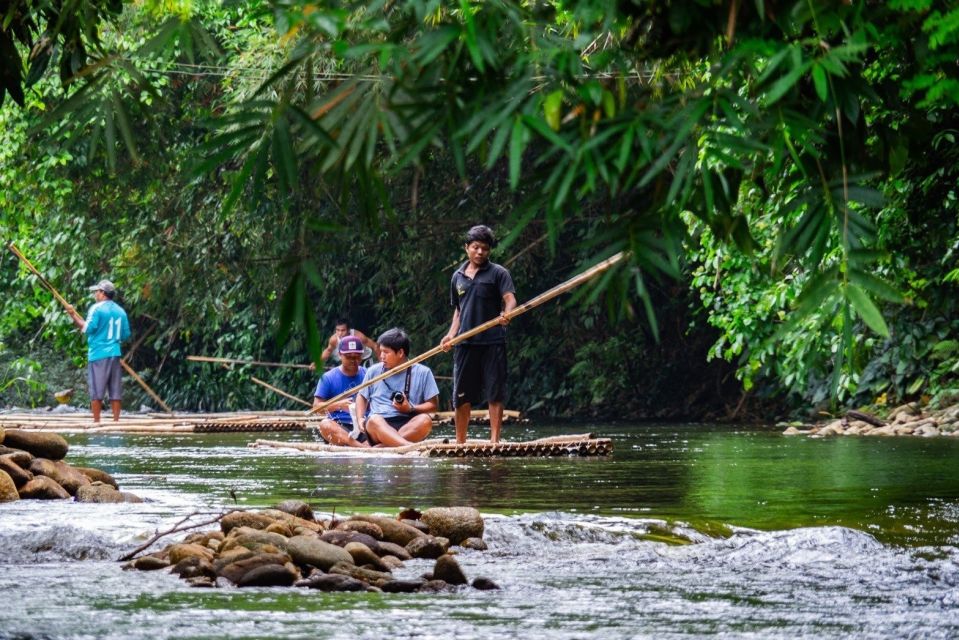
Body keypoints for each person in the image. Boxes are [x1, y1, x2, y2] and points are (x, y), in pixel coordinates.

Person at [441, 225, 517, 444]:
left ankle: (494, 441)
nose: (480, 252)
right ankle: (460, 442)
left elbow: (510, 299)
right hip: (465, 343)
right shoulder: (457, 277)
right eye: (475, 247)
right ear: (467, 248)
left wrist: (507, 314)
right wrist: (450, 335)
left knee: (495, 392)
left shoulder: (499, 273)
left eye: (484, 248)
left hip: (493, 341)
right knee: (461, 396)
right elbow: (458, 311)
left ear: (489, 250)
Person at [354, 328, 438, 447]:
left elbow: (433, 406)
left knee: (425, 420)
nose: (381, 356)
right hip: (378, 425)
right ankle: (407, 446)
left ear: (400, 353)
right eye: (381, 351)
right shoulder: (373, 371)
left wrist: (410, 408)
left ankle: (384, 447)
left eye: (386, 352)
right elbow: (361, 396)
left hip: (407, 424)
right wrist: (360, 419)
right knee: (374, 420)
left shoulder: (423, 372)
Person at [66, 279, 131, 423]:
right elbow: (125, 334)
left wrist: (72, 314)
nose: (95, 294)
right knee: (115, 391)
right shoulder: (121, 311)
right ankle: (116, 422)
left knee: (97, 391)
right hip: (115, 354)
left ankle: (96, 422)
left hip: (98, 355)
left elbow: (87, 329)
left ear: (103, 293)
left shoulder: (96, 308)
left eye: (97, 291)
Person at [313, 335, 370, 447]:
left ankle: (360, 446)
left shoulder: (369, 375)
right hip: (340, 427)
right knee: (325, 425)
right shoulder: (328, 378)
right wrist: (338, 405)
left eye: (357, 357)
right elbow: (316, 408)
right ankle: (360, 447)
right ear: (340, 355)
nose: (353, 361)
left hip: (364, 424)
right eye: (349, 357)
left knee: (379, 423)